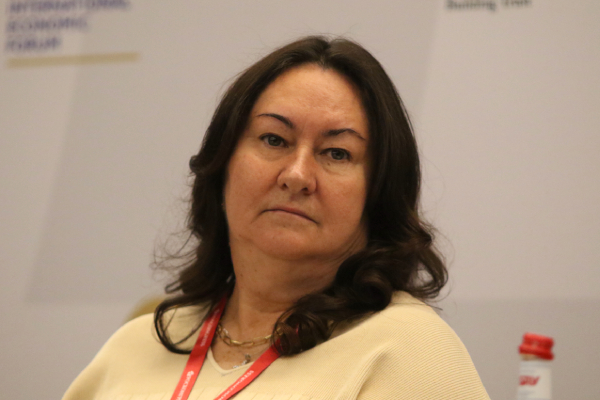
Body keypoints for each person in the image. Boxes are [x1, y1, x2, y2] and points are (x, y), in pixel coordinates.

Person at [62, 36, 490, 400]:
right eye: (274, 139)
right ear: (222, 164)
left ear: (378, 192)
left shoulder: (410, 351)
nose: (297, 175)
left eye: (336, 153)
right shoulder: (139, 345)